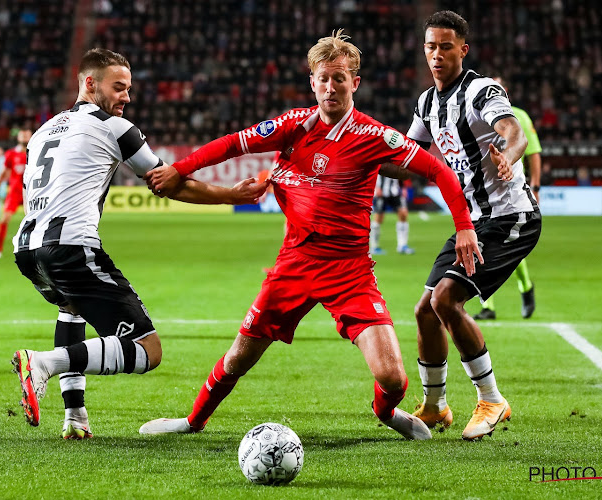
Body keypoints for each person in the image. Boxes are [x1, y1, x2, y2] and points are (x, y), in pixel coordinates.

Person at [139, 30, 482, 441]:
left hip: (350, 272)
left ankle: (385, 412)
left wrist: (464, 225)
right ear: (312, 82)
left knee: (393, 379)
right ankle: (192, 422)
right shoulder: (292, 125)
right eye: (323, 78)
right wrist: (181, 167)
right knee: (237, 359)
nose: (330, 86)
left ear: (354, 82)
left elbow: (438, 170)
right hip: (294, 266)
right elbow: (233, 144)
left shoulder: (374, 137)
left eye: (339, 77)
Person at [9, 48, 267, 440]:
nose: (126, 97)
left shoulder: (44, 130)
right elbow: (167, 181)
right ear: (90, 84)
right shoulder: (114, 127)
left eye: (128, 88)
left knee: (71, 310)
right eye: (119, 87)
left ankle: (75, 417)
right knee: (147, 350)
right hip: (70, 245)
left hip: (27, 248)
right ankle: (43, 362)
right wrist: (232, 195)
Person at [406, 11, 541, 440]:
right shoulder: (426, 103)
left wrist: (508, 153)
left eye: (446, 46)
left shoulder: (482, 90)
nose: (437, 54)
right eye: (431, 46)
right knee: (424, 311)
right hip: (473, 221)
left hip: (511, 217)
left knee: (446, 300)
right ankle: (434, 406)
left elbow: (512, 130)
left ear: (463, 49)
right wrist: (355, 157)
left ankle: (491, 400)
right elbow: (407, 156)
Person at [473, 76, 542, 320]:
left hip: (513, 193)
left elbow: (533, 152)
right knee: (481, 248)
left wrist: (536, 186)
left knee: (508, 248)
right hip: (483, 196)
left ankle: (525, 287)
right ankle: (487, 306)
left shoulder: (519, 117)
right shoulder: (476, 115)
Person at [0, 127, 32, 260]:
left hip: (31, 192)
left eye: (27, 136)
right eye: (22, 136)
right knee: (4, 219)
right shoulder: (11, 154)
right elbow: (3, 174)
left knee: (35, 221)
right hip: (15, 192)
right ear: (18, 138)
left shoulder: (37, 152)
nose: (24, 138)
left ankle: (34, 249)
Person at [370, 173, 414, 255]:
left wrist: (403, 187)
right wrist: (375, 187)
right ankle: (374, 247)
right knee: (378, 218)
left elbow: (400, 172)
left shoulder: (395, 161)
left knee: (403, 214)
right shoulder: (379, 161)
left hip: (395, 192)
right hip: (381, 192)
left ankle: (402, 245)